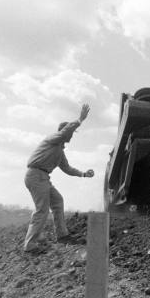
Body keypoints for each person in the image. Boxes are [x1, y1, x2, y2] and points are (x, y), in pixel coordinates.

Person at [23, 104, 94, 253]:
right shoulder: (52, 139)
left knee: (57, 201)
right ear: (63, 131)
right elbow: (65, 133)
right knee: (42, 210)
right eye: (71, 132)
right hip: (35, 175)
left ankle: (62, 236)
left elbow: (67, 168)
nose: (72, 135)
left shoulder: (59, 152)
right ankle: (29, 245)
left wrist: (83, 174)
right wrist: (80, 119)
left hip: (43, 178)